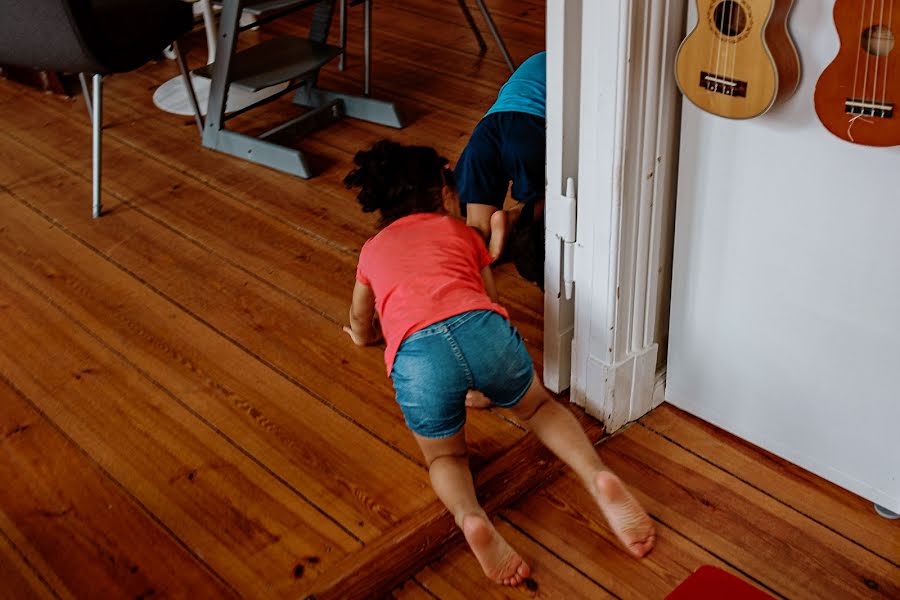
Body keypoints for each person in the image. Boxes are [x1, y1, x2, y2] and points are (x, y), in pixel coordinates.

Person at [343, 140, 655, 586]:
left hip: (418, 358)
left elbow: (361, 317)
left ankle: (471, 517)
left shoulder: (372, 250)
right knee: (541, 409)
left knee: (447, 456)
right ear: (445, 194)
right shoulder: (463, 235)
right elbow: (489, 300)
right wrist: (482, 375)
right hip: (482, 332)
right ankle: (597, 477)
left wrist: (362, 336)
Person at [455, 51, 546, 280]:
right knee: (544, 195)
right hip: (530, 126)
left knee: (476, 224)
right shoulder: (586, 66)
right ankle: (514, 216)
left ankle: (466, 263)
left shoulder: (538, 57)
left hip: (488, 129)